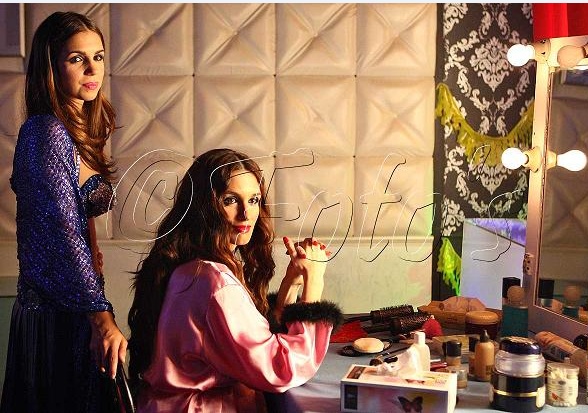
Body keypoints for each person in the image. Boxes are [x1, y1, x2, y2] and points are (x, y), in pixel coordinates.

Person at [128, 148, 342, 412]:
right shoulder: (213, 281)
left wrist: (293, 282)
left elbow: (254, 341)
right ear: (204, 206)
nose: (246, 214)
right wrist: (315, 280)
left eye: (253, 200)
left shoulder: (189, 268)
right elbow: (280, 369)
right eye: (230, 200)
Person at [1, 11, 127, 413]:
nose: (93, 69)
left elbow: (80, 215)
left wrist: (94, 262)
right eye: (77, 59)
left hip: (81, 301)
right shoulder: (46, 132)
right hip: (56, 314)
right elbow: (61, 231)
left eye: (99, 56)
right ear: (51, 66)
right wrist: (100, 316)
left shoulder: (79, 130)